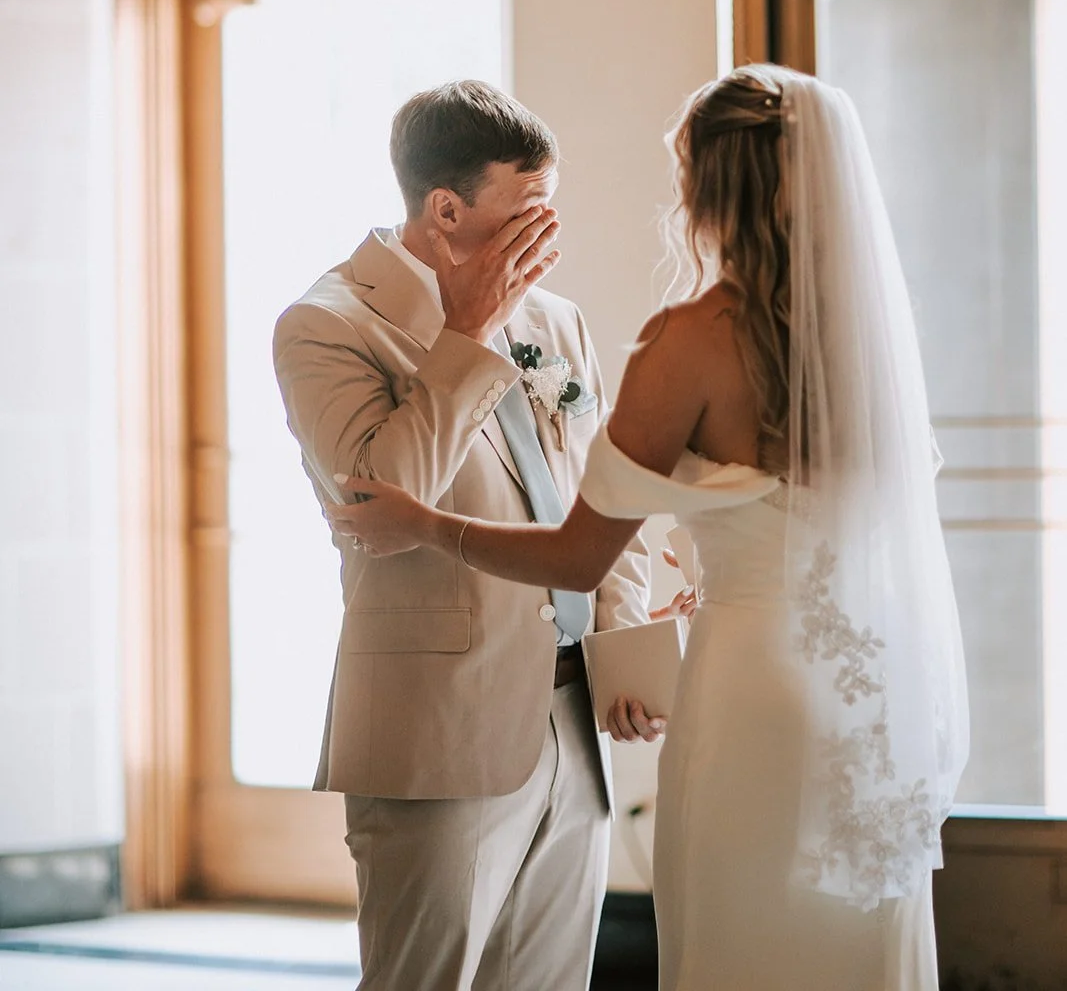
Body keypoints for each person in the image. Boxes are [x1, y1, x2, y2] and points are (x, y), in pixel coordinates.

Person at [328, 64, 970, 991]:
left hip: (750, 693)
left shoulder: (688, 337)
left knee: (737, 947)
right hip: (863, 703)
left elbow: (582, 549)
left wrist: (431, 527)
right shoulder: (859, 342)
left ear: (704, 187)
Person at [273, 79, 665, 991]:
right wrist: (468, 330)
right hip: (435, 730)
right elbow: (385, 501)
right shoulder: (326, 325)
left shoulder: (555, 317)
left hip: (575, 725)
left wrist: (623, 648)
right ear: (446, 209)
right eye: (526, 212)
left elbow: (604, 493)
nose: (547, 237)